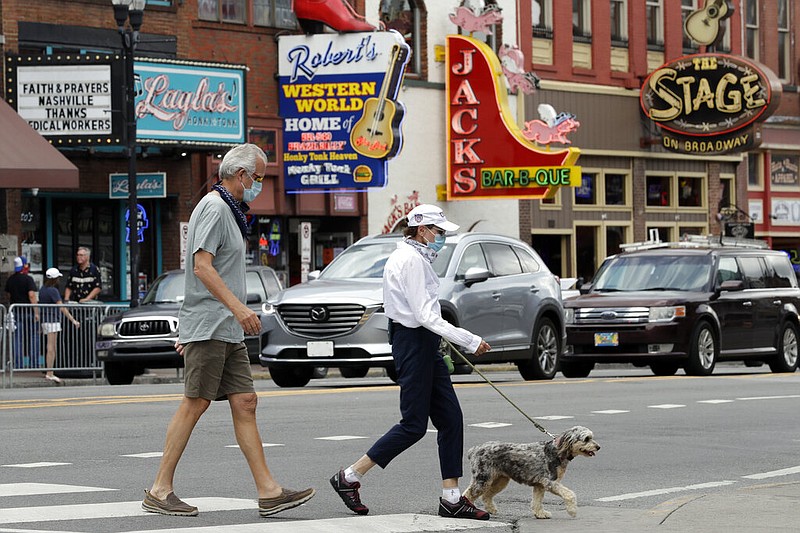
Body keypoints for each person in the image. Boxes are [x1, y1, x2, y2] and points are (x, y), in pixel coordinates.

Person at [142, 143, 315, 518]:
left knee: (246, 402)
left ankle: (269, 491)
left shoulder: (231, 210)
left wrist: (234, 314)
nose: (260, 185)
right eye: (259, 178)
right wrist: (234, 311)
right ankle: (159, 489)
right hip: (214, 323)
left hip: (227, 327)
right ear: (242, 176)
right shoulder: (215, 207)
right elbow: (201, 267)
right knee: (196, 402)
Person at [330, 203, 492, 520]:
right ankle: (349, 476)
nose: (441, 237)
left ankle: (451, 497)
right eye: (439, 231)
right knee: (413, 425)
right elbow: (424, 315)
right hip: (414, 342)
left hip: (421, 342)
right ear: (422, 230)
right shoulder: (410, 261)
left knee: (450, 419)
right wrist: (470, 341)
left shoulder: (411, 257)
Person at [38, 267, 80, 384]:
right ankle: (50, 373)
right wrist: (73, 320)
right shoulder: (53, 291)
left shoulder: (42, 289)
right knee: (51, 347)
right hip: (52, 320)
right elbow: (61, 307)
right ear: (55, 279)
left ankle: (49, 372)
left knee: (50, 347)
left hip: (45, 320)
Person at [4, 256, 40, 369]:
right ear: (24, 266)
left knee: (17, 339)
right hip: (29, 312)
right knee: (34, 337)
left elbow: (8, 295)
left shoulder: (10, 279)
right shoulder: (28, 279)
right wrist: (36, 312)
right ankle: (34, 364)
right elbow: (32, 295)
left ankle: (18, 365)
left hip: (16, 311)